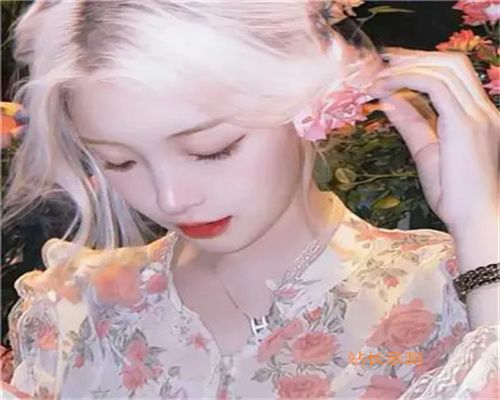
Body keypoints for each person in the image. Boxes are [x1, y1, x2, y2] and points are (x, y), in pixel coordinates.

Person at [2, 0, 499, 399]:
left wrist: (480, 219)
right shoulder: (75, 309)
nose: (171, 199)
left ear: (314, 101)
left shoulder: (447, 290)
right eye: (119, 162)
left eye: (212, 149)